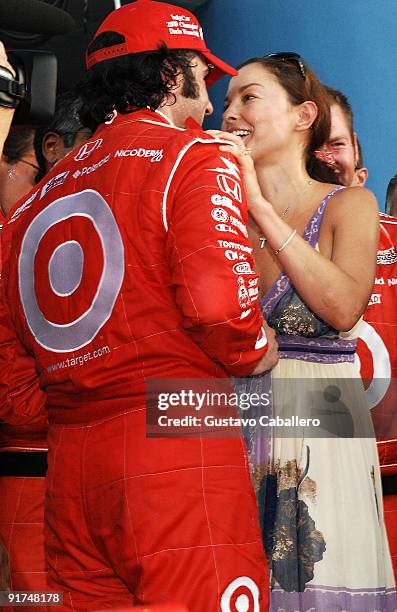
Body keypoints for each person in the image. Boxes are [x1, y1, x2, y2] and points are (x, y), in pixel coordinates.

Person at [1, 2, 278, 610]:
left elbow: (12, 387)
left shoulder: (26, 207)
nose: (209, 106)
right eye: (204, 84)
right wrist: (259, 347)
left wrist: (76, 404)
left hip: (69, 464)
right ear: (171, 76)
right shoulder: (197, 157)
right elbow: (219, 310)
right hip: (177, 443)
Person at [219, 53, 395, 610]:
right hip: (229, 429)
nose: (229, 112)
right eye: (225, 100)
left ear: (303, 116)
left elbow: (343, 307)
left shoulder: (350, 203)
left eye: (248, 97)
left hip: (323, 440)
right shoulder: (216, 216)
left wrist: (261, 209)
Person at [0, 91, 92, 608]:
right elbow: (12, 398)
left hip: (97, 465)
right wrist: (92, 411)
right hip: (32, 467)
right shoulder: (14, 236)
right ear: (54, 149)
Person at [324, 85, 397, 586]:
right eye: (316, 146)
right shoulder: (252, 241)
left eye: (339, 144)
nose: (327, 157)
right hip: (303, 483)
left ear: (361, 171)